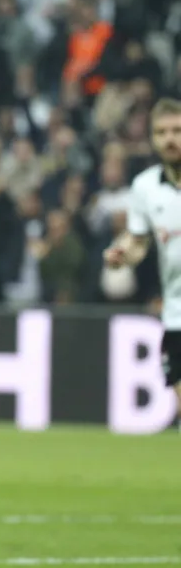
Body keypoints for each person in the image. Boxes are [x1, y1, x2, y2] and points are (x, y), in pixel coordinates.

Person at [103, 97, 181, 431]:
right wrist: (121, 255)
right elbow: (138, 242)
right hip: (176, 314)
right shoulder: (145, 187)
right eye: (161, 132)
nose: (170, 139)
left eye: (177, 130)